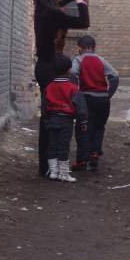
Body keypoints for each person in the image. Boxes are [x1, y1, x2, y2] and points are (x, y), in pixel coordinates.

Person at [33, 0, 93, 176]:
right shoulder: (52, 14)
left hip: (44, 66)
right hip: (49, 69)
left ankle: (46, 165)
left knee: (48, 117)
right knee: (53, 118)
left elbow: (60, 1)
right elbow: (83, 22)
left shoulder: (44, 11)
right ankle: (50, 165)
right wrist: (80, 0)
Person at [71, 35, 119, 171]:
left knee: (84, 128)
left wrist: (75, 92)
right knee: (99, 127)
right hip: (103, 100)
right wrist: (109, 94)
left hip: (87, 99)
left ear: (79, 48)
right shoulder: (101, 60)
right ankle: (95, 154)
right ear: (94, 48)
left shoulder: (78, 60)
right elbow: (115, 76)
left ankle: (82, 160)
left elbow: (73, 74)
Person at [42, 54, 88, 182]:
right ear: (69, 69)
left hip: (52, 119)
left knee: (52, 145)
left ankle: (53, 172)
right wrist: (83, 121)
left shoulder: (49, 87)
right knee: (63, 146)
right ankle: (63, 174)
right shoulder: (72, 88)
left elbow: (44, 105)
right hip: (66, 121)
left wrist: (46, 119)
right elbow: (80, 106)